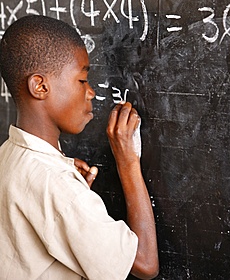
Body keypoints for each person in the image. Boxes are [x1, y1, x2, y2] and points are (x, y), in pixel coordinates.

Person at [0, 15, 159, 280]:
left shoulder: (8, 155)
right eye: (82, 80)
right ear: (40, 86)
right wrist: (128, 163)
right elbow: (144, 263)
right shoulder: (58, 186)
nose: (91, 93)